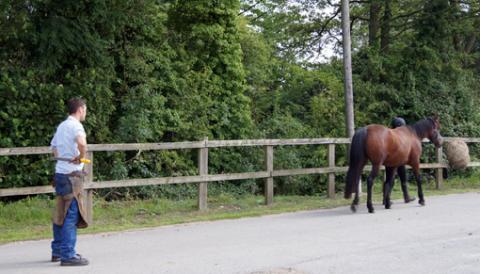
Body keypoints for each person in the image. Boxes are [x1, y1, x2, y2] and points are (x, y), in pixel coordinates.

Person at [50, 98, 89, 266]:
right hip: (71, 176)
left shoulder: (61, 126)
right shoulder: (76, 126)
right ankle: (68, 254)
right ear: (80, 109)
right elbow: (82, 144)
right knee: (70, 215)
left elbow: (53, 148)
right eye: (85, 109)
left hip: (60, 174)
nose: (85, 113)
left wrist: (64, 159)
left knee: (60, 212)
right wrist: (81, 157)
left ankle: (57, 251)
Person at [384, 117, 415, 204]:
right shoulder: (400, 135)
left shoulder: (388, 134)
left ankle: (386, 199)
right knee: (400, 178)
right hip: (398, 158)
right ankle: (405, 197)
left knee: (390, 179)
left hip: (389, 159)